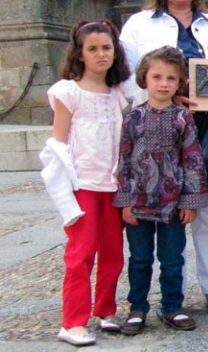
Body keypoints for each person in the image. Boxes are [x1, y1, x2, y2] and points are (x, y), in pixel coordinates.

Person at [120, 0, 208, 314]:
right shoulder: (139, 25)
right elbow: (125, 77)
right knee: (162, 210)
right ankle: (170, 295)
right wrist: (165, 99)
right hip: (158, 128)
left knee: (207, 210)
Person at [40, 20, 130, 346]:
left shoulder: (116, 94)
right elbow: (58, 144)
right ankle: (73, 321)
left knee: (113, 253)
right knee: (81, 254)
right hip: (82, 186)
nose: (100, 54)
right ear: (80, 54)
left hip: (111, 185)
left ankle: (105, 310)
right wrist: (64, 193)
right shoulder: (68, 92)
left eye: (106, 47)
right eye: (92, 49)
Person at [114, 46, 208, 334]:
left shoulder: (183, 118)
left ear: (179, 83)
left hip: (172, 203)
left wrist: (190, 201)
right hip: (139, 201)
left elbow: (192, 159)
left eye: (171, 78)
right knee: (140, 259)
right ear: (145, 78)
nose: (164, 84)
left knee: (172, 259)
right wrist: (126, 201)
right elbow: (124, 160)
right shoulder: (133, 118)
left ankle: (172, 306)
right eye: (157, 77)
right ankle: (137, 308)